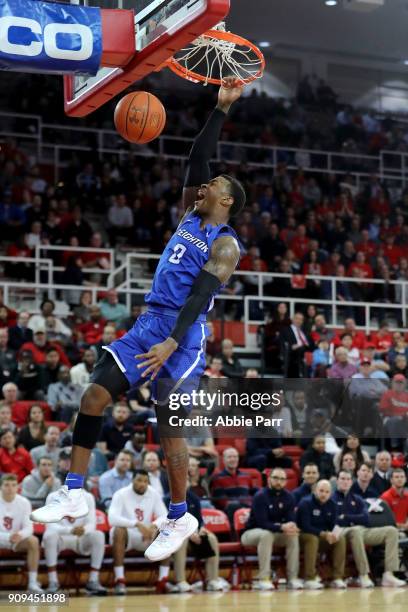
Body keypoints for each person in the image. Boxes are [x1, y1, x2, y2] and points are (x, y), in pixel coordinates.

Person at [32, 79, 246, 566]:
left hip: (183, 336)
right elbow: (198, 157)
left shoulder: (226, 244)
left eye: (216, 186)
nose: (208, 184)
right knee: (93, 396)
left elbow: (200, 296)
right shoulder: (191, 214)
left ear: (228, 202)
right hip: (148, 324)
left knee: (170, 429)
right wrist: (220, 109)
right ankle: (72, 492)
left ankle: (178, 515)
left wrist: (172, 343)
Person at [334, 470, 405, 587]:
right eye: (342, 479)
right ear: (337, 481)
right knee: (356, 531)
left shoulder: (357, 499)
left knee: (391, 531)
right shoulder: (332, 498)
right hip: (341, 531)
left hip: (362, 529)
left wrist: (347, 517)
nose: (345, 482)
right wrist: (354, 518)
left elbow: (366, 519)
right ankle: (364, 574)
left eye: (348, 479)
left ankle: (389, 575)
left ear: (351, 482)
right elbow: (336, 520)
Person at [241, 468, 303, 591]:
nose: (278, 481)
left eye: (282, 479)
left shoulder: (289, 497)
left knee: (292, 535)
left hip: (275, 532)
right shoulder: (260, 496)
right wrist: (281, 526)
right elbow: (262, 523)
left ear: (285, 482)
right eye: (275, 478)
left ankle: (292, 578)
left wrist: (292, 526)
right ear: (269, 479)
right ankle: (264, 578)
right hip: (251, 533)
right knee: (266, 534)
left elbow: (291, 519)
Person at [108, 470, 168, 594]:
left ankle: (163, 580)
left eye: (145, 481)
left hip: (146, 536)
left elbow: (165, 516)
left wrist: (153, 526)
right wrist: (136, 524)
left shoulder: (153, 494)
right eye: (139, 480)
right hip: (127, 535)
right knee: (118, 530)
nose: (142, 484)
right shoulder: (121, 494)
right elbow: (112, 519)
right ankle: (120, 579)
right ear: (132, 480)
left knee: (166, 531)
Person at [43, 489, 107, 595]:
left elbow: (92, 523)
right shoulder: (52, 496)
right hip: (60, 538)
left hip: (80, 538)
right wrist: (69, 530)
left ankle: (93, 580)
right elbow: (50, 524)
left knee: (98, 535)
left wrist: (84, 530)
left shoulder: (88, 497)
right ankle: (53, 582)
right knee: (49, 535)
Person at [297, 480, 347, 589]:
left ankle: (337, 578)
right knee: (312, 539)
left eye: (327, 492)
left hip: (322, 537)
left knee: (340, 539)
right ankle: (309, 578)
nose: (324, 494)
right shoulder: (305, 503)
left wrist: (334, 534)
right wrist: (324, 534)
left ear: (330, 493)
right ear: (315, 490)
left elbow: (333, 525)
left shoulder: (332, 505)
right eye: (321, 491)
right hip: (303, 537)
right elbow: (305, 526)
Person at [0, 474, 43, 593]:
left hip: (16, 540)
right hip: (2, 538)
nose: (10, 488)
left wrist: (20, 535)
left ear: (17, 487)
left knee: (33, 541)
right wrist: (8, 536)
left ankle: (33, 583)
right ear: (1, 487)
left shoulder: (24, 502)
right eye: (6, 485)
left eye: (13, 485)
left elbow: (29, 528)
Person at [279, 312, 314, 378]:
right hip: (292, 354)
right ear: (292, 319)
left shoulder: (305, 331)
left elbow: (311, 344)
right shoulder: (285, 330)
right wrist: (291, 347)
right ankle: (301, 373)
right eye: (297, 318)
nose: (299, 321)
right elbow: (282, 344)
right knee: (300, 350)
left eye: (301, 319)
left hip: (306, 352)